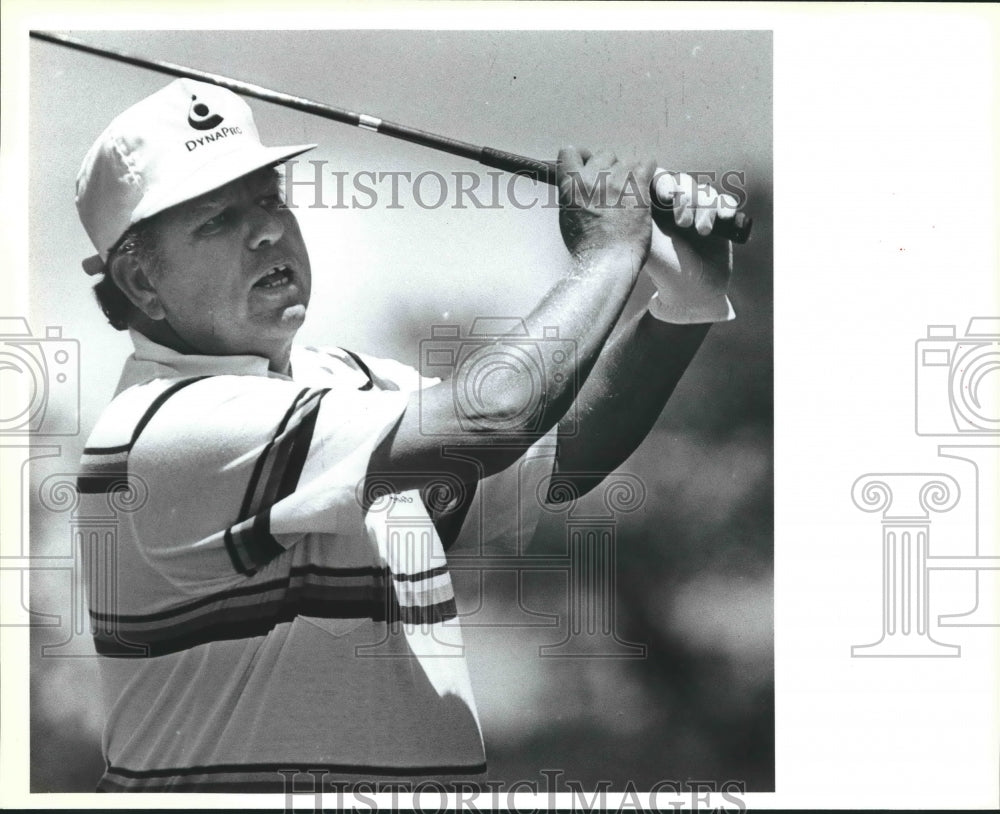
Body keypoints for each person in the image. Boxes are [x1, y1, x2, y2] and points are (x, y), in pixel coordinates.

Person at [74, 78, 737, 793]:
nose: (267, 229)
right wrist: (609, 254)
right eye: (216, 219)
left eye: (269, 197)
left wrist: (689, 298)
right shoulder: (166, 423)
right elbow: (497, 417)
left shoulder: (345, 385)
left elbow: (563, 454)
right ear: (141, 283)